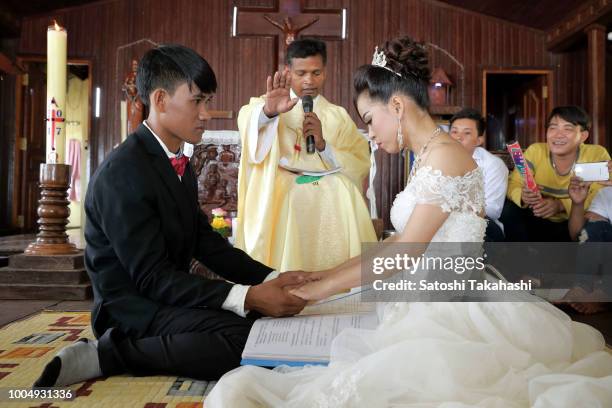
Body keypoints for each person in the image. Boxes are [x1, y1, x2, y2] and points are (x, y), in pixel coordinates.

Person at [207, 37, 612, 407]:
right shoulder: (429, 155)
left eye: (370, 119)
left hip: (447, 310)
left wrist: (315, 293)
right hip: (416, 296)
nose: (370, 132)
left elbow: (407, 250)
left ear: (396, 106)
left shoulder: (446, 156)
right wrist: (320, 275)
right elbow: (399, 239)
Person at [33, 44, 308, 388]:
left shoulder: (176, 161)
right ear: (161, 100)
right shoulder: (124, 172)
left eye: (208, 101)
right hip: (131, 309)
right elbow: (150, 278)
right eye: (198, 101)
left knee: (267, 325)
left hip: (166, 296)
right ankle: (110, 354)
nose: (207, 114)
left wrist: (272, 278)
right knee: (250, 340)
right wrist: (246, 295)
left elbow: (206, 244)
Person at [235, 38, 376, 273]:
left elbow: (358, 160)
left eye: (316, 72)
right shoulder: (267, 104)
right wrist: (269, 113)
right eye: (301, 73)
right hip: (283, 184)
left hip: (328, 183)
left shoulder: (337, 115)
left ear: (325, 72)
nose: (309, 80)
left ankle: (339, 283)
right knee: (295, 195)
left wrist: (322, 144)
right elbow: (247, 122)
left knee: (342, 189)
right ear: (288, 72)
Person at [501, 106, 611, 242]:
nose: (558, 134)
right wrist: (523, 196)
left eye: (568, 128)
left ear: (583, 136)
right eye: (553, 128)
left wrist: (560, 205)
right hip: (537, 218)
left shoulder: (596, 154)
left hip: (575, 221)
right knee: (509, 211)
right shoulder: (536, 151)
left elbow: (599, 196)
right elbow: (513, 183)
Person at [449, 108, 508, 241]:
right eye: (454, 132)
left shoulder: (493, 165)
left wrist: (452, 209)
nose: (458, 137)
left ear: (479, 140)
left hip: (482, 226)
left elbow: (492, 210)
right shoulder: (438, 159)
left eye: (467, 133)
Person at [565, 161, 612, 314]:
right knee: (597, 227)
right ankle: (581, 286)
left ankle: (604, 294)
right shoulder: (606, 193)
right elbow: (580, 235)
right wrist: (578, 203)